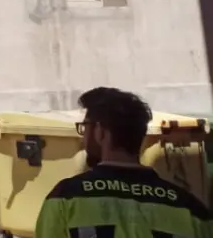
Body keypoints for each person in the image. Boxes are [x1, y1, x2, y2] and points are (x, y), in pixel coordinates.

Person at [35, 87, 213, 238]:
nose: (83, 138)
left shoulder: (64, 199)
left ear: (100, 132)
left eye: (85, 127)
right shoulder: (191, 209)